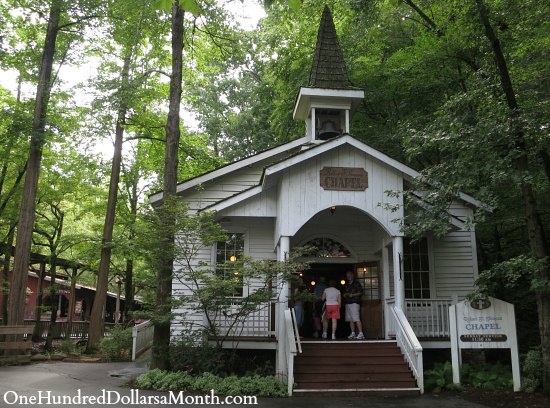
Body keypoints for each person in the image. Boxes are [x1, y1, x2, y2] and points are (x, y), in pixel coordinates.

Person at [343, 270, 365, 340]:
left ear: (352, 276)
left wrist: (353, 295)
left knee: (356, 318)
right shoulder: (346, 284)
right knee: (350, 319)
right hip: (348, 303)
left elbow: (361, 292)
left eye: (349, 275)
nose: (348, 277)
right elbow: (344, 293)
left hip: (354, 303)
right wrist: (345, 295)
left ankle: (361, 333)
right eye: (347, 276)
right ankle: (353, 333)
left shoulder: (356, 283)